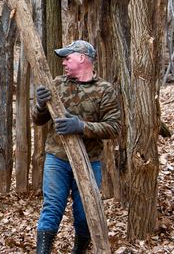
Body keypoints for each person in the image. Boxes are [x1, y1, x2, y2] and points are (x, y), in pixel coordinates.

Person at [32, 40, 121, 254]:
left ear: (82, 58)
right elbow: (38, 120)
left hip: (90, 161)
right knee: (52, 207)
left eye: (67, 57)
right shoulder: (57, 84)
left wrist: (81, 126)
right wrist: (40, 105)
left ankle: (79, 251)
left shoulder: (104, 90)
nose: (63, 62)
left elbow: (114, 127)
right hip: (57, 158)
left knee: (84, 214)